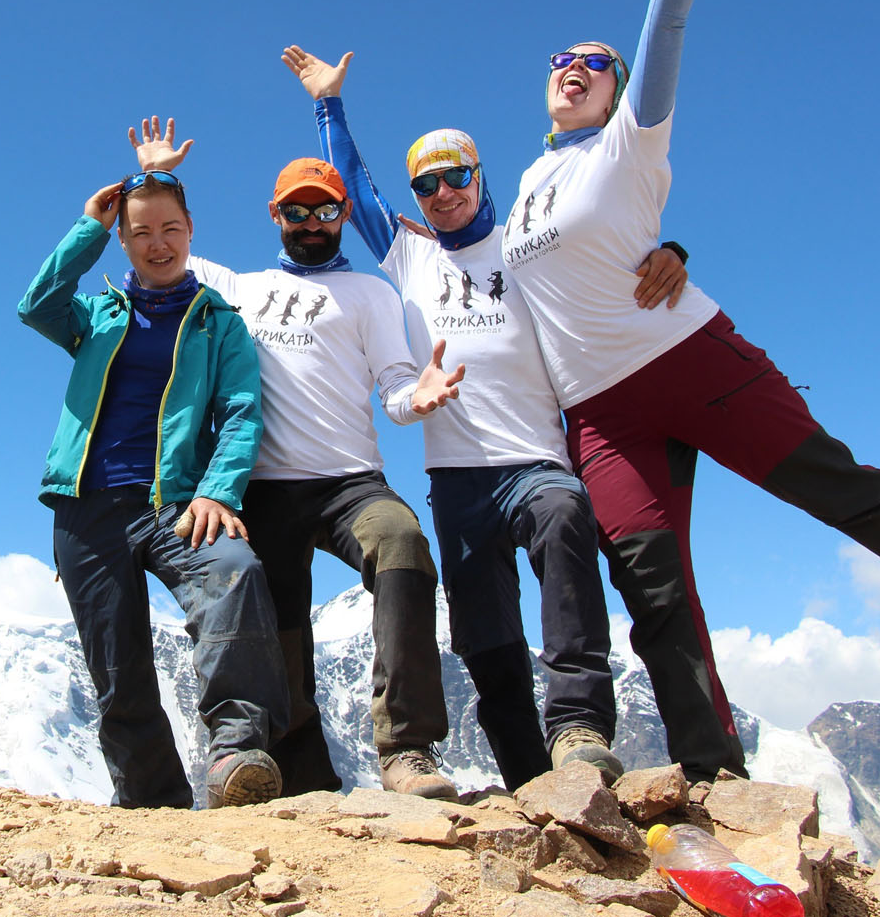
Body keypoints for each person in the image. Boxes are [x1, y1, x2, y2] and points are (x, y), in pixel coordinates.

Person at [499, 0, 880, 780]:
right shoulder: (519, 190)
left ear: (617, 90)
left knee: (840, 493)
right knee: (654, 588)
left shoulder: (631, 143)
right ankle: (716, 774)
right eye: (561, 59)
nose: (574, 68)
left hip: (692, 363)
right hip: (600, 410)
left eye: (593, 62)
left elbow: (663, 26)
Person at [282, 45, 689, 789]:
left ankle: (578, 727)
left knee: (565, 521)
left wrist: (670, 252)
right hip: (457, 480)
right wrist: (328, 106)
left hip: (537, 463)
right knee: (484, 636)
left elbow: (611, 233)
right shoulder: (409, 257)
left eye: (455, 176)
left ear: (480, 176)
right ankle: (534, 784)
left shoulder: (530, 246)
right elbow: (363, 194)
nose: (441, 193)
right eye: (427, 183)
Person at [127, 116, 466, 799]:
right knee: (277, 632)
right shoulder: (235, 287)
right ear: (275, 215)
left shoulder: (371, 293)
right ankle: (303, 780)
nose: (313, 222)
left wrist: (419, 395)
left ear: (342, 214)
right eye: (298, 210)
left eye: (327, 209)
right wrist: (159, 175)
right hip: (262, 493)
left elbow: (397, 389)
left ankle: (406, 749)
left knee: (401, 546)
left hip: (351, 484)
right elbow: (161, 245)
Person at [17, 161, 289, 809]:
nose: (158, 243)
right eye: (141, 232)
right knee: (119, 668)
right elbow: (36, 305)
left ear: (191, 230)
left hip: (175, 503)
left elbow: (243, 410)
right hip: (85, 509)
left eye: (171, 228)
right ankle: (151, 806)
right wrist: (89, 226)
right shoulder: (94, 317)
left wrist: (218, 491)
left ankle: (237, 752)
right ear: (124, 239)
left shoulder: (218, 322)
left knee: (233, 570)